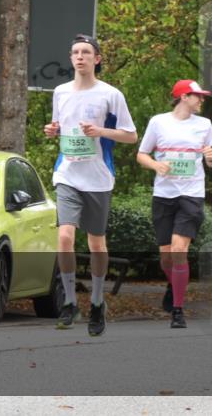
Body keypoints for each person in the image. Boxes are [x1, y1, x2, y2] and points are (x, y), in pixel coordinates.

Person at [44, 34, 137, 336]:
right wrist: (52, 130)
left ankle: (97, 302)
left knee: (96, 243)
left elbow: (130, 136)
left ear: (96, 59)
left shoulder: (110, 95)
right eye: (75, 52)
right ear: (71, 58)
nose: (80, 57)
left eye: (86, 52)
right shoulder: (60, 92)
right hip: (67, 173)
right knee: (65, 237)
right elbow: (59, 127)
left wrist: (101, 131)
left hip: (98, 178)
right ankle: (70, 302)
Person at [137, 80, 212, 329]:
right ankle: (174, 285)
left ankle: (178, 310)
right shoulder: (158, 122)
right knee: (166, 258)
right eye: (198, 96)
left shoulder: (204, 124)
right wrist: (156, 165)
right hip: (164, 195)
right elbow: (142, 154)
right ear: (184, 96)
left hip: (192, 194)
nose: (202, 100)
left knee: (178, 249)